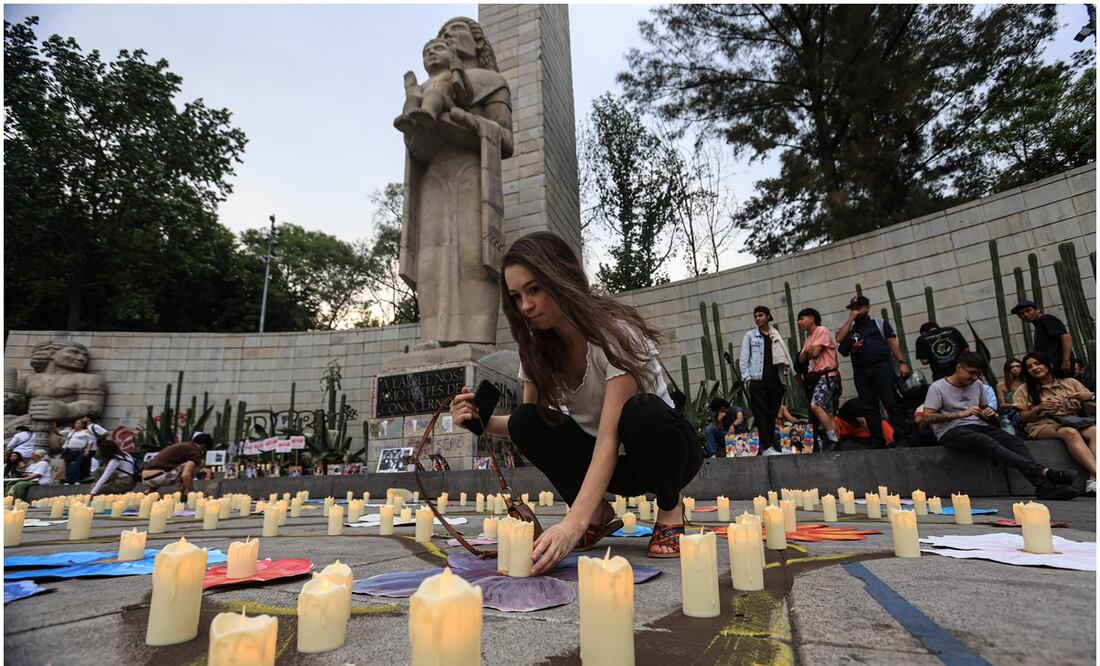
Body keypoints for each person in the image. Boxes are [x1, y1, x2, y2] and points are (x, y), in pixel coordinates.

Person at [450, 232, 702, 570]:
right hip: (611, 467)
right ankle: (598, 514)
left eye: (534, 289)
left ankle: (671, 508)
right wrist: (478, 423)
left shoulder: (614, 335)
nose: (526, 305)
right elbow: (532, 426)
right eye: (517, 296)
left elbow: (611, 436)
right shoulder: (537, 352)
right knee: (527, 417)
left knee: (642, 412)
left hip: (664, 456)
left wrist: (572, 523)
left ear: (562, 277)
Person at [924, 351, 1078, 501]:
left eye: (978, 374)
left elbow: (984, 407)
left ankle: (1043, 486)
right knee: (983, 441)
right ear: (959, 367)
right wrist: (959, 415)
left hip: (978, 425)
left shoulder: (977, 384)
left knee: (1014, 441)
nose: (974, 377)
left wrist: (989, 413)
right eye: (971, 373)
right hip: (950, 431)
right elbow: (927, 417)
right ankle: (1045, 472)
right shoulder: (937, 387)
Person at [1014, 353, 1096, 495]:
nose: (1034, 368)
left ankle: (1093, 478)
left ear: (1049, 364)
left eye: (1038, 363)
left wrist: (1089, 397)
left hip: (1074, 421)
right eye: (1029, 367)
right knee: (1070, 432)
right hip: (1042, 425)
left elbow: (1092, 409)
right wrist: (1039, 408)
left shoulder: (1070, 382)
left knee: (1095, 430)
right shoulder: (1023, 390)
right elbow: (1024, 418)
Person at [836, 295, 911, 447]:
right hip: (861, 371)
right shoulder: (852, 330)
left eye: (858, 308)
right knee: (869, 407)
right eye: (853, 309)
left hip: (881, 367)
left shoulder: (879, 324)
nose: (855, 311)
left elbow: (892, 343)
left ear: (867, 307)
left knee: (891, 402)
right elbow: (839, 339)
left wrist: (902, 362)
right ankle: (877, 439)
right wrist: (851, 320)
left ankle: (902, 437)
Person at [739, 306, 793, 456]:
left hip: (776, 380)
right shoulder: (750, 336)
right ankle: (767, 445)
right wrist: (748, 378)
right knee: (761, 413)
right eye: (755, 316)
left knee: (772, 413)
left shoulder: (775, 335)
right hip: (757, 379)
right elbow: (744, 359)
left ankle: (771, 446)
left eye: (761, 315)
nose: (758, 318)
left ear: (768, 316)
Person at [797, 308, 841, 451]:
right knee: (828, 411)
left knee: (815, 405)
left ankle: (832, 439)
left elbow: (814, 353)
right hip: (818, 377)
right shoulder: (809, 338)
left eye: (802, 319)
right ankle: (836, 441)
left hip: (828, 375)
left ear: (811, 318)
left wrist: (810, 352)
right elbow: (801, 359)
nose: (799, 322)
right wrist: (810, 352)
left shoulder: (821, 330)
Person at [1011, 300, 1075, 377]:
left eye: (1028, 310)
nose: (1025, 314)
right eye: (1021, 313)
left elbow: (1066, 337)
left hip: (1060, 367)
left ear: (1037, 309)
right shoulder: (1038, 324)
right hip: (1050, 368)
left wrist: (1066, 361)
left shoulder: (1046, 318)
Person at [141, 433, 209, 498]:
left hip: (145, 476)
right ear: (203, 445)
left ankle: (151, 491)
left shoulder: (184, 446)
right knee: (199, 463)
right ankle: (180, 493)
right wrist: (193, 493)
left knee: (173, 465)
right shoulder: (195, 451)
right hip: (158, 476)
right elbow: (185, 475)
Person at [53, 419, 95, 484]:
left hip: (79, 451)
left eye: (78, 423)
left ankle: (77, 480)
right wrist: (54, 426)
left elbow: (90, 442)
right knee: (68, 466)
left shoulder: (86, 432)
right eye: (76, 423)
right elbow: (58, 432)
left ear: (83, 425)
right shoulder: (71, 431)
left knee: (76, 465)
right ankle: (68, 480)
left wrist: (87, 450)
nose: (76, 424)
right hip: (69, 451)